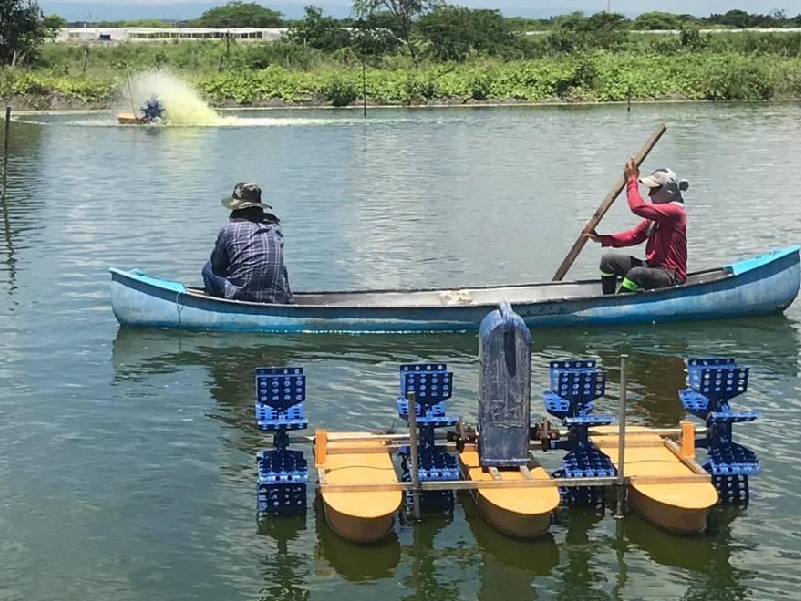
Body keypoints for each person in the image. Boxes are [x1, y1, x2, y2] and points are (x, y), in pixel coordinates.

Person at [586, 159, 689, 295]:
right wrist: (602, 239)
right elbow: (634, 236)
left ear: (667, 190)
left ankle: (617, 304)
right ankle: (608, 300)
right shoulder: (656, 217)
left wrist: (632, 181)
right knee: (608, 261)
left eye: (654, 189)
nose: (649, 194)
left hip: (671, 275)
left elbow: (637, 207)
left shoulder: (675, 212)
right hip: (653, 267)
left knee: (636, 274)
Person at [202, 182, 293, 304]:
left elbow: (217, 263)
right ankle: (288, 298)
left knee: (208, 268)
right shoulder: (275, 228)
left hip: (242, 295)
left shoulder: (229, 230)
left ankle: (224, 302)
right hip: (276, 297)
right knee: (281, 268)